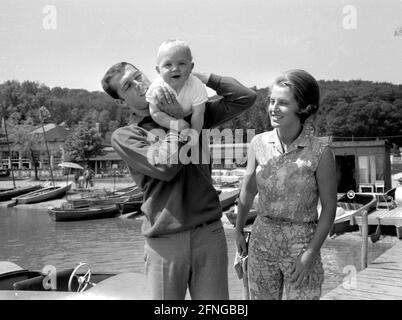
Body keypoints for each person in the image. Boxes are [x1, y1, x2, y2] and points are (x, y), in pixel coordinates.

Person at [101, 61, 257, 299]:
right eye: (127, 86)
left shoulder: (194, 111)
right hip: (165, 240)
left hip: (209, 234)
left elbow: (244, 97)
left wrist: (190, 75)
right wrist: (177, 121)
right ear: (121, 101)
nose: (138, 85)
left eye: (138, 76)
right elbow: (165, 166)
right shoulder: (127, 135)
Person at [235, 69, 337, 300]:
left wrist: (310, 254)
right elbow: (248, 190)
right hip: (261, 242)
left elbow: (329, 207)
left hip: (301, 246)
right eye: (271, 101)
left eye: (282, 103)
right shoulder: (257, 143)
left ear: (303, 108)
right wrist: (239, 230)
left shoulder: (321, 152)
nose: (273, 108)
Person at [146, 40, 208, 138]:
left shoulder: (196, 85)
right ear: (159, 70)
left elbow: (198, 114)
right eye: (168, 65)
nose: (175, 68)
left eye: (181, 63)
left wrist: (193, 134)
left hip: (190, 116)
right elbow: (154, 112)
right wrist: (175, 124)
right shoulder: (156, 88)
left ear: (191, 67)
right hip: (165, 120)